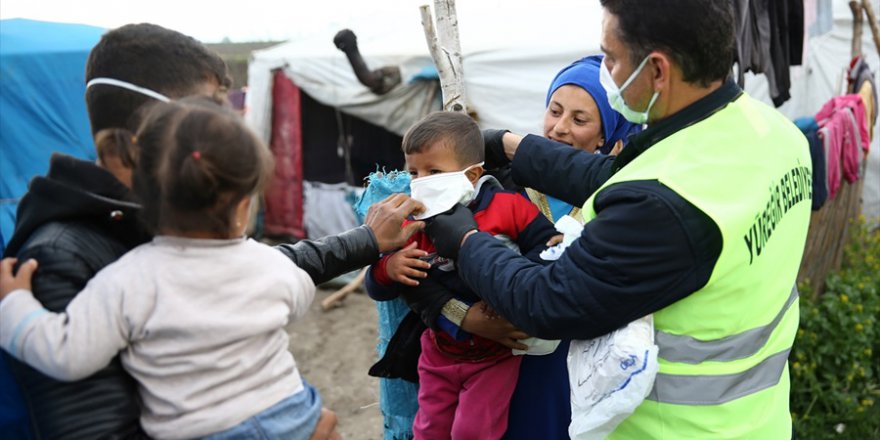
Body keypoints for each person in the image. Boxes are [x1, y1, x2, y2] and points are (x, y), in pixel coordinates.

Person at [0, 23, 422, 439]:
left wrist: (365, 241)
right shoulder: (61, 255)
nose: (225, 133)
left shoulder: (168, 226)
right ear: (128, 142)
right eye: (208, 113)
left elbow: (255, 267)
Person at [424, 1, 810, 438]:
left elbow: (548, 302)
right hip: (759, 419)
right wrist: (511, 146)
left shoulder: (661, 207)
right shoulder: (774, 135)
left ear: (657, 70)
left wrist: (465, 241)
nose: (605, 68)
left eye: (611, 57)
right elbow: (617, 176)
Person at [1, 98, 330, 439]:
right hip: (294, 416)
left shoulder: (127, 279)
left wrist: (14, 304)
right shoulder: (271, 264)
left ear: (140, 194)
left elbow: (66, 354)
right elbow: (300, 298)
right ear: (244, 206)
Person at [365, 112, 557, 439]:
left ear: (473, 175)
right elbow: (379, 286)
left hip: (495, 357)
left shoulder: (508, 207)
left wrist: (510, 291)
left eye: (434, 172)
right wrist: (389, 267)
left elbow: (549, 248)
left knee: (474, 430)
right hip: (439, 350)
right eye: (414, 172)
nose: (421, 182)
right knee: (429, 429)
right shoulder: (415, 220)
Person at [529, 55, 640, 222]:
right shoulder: (507, 181)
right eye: (555, 112)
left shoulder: (615, 203)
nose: (560, 127)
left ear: (604, 136)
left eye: (579, 120)